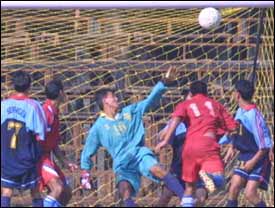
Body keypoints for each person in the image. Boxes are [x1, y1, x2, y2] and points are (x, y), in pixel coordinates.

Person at [80, 68, 186, 207]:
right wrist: (85, 172)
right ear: (105, 100)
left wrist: (163, 83)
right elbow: (88, 151)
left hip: (139, 154)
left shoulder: (129, 112)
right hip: (122, 162)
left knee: (158, 170)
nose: (116, 98)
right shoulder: (98, 127)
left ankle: (186, 200)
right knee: (124, 191)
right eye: (113, 96)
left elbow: (149, 102)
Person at [155, 80, 237, 207]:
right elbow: (232, 127)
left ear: (192, 95)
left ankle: (205, 182)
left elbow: (225, 135)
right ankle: (211, 177)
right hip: (180, 167)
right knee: (218, 181)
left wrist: (165, 139)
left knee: (198, 194)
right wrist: (166, 133)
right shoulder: (213, 107)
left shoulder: (185, 109)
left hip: (191, 156)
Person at [222, 80, 272, 207]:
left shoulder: (254, 116)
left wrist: (252, 162)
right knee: (233, 188)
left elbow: (264, 146)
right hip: (245, 156)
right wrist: (232, 145)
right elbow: (236, 130)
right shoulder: (240, 111)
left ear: (237, 95)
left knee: (250, 194)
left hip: (259, 158)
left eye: (233, 91)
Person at [1, 70, 47, 207]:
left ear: (13, 85)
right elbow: (41, 134)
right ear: (29, 86)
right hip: (26, 156)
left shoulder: (3, 105)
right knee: (35, 191)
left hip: (7, 157)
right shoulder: (34, 106)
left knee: (7, 191)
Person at [38, 79, 78, 207]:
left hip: (48, 157)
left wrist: (65, 162)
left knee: (66, 193)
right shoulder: (45, 112)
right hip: (39, 158)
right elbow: (36, 139)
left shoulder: (54, 112)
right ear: (61, 93)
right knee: (57, 189)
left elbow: (54, 144)